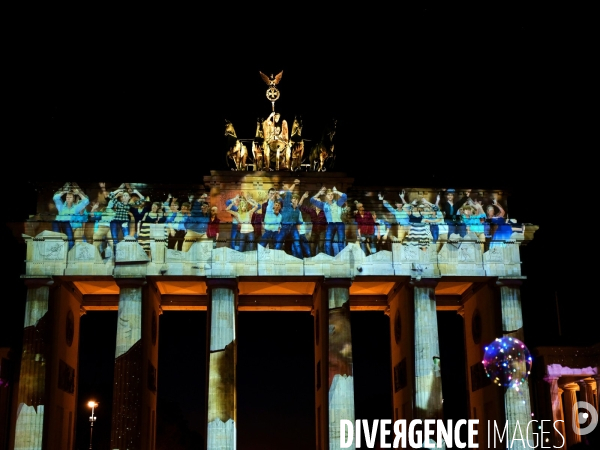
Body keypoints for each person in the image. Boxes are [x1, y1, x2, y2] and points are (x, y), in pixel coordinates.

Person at [310, 186, 347, 256]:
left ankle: (342, 260)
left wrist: (336, 192)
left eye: (331, 194)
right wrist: (319, 193)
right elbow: (312, 200)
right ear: (326, 195)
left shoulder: (338, 203)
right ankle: (330, 259)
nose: (330, 196)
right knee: (327, 243)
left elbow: (345, 196)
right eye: (328, 194)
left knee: (341, 243)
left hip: (339, 224)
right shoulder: (323, 205)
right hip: (330, 224)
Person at [52, 182, 90, 250]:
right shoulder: (61, 207)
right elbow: (55, 198)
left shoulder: (76, 208)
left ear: (73, 199)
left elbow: (86, 201)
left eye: (70, 197)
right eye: (67, 197)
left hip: (74, 229)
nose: (68, 198)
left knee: (77, 241)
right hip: (64, 230)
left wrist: (78, 193)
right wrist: (64, 192)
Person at [276, 179, 303, 258]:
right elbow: (288, 193)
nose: (294, 200)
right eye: (293, 198)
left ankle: (300, 260)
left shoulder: (297, 209)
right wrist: (294, 184)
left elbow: (297, 220)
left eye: (296, 199)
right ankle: (275, 260)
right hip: (284, 226)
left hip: (293, 227)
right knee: (278, 243)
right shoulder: (287, 204)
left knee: (297, 243)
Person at [300, 192, 327, 256]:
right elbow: (300, 207)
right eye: (316, 202)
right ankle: (313, 261)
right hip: (314, 231)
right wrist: (303, 198)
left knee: (321, 247)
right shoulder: (311, 210)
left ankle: (321, 263)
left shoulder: (325, 211)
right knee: (312, 247)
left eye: (319, 202)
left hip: (322, 231)